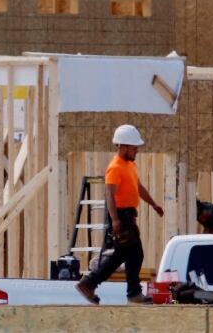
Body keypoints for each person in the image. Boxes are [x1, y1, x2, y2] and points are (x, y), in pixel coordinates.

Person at [76, 124, 164, 304]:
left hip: (128, 215)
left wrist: (153, 204)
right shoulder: (115, 167)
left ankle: (89, 283)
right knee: (135, 254)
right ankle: (132, 293)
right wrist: (115, 220)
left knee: (121, 255)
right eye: (134, 147)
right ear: (123, 146)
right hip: (121, 216)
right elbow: (109, 194)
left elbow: (138, 188)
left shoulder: (130, 165)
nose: (137, 150)